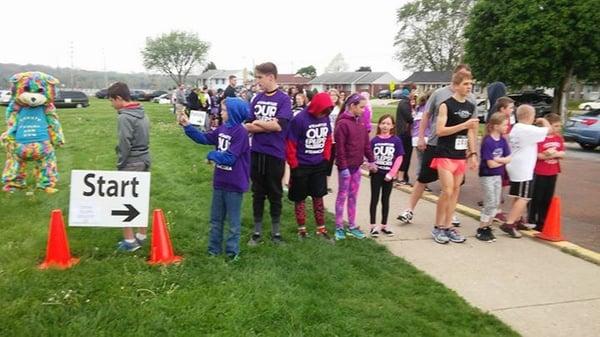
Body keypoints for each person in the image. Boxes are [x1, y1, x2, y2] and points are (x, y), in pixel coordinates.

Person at [397, 64, 477, 227]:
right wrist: (420, 136)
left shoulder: (472, 99)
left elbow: (472, 127)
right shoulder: (439, 94)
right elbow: (426, 115)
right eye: (463, 78)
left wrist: (472, 151)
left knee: (454, 186)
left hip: (457, 148)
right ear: (455, 77)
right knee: (424, 178)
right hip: (436, 143)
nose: (467, 84)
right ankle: (409, 210)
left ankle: (449, 214)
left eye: (469, 79)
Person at [178, 98, 250, 261]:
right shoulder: (223, 128)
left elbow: (230, 158)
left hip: (235, 184)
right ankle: (213, 250)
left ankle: (232, 253)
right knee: (216, 220)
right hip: (220, 182)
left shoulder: (241, 133)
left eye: (224, 111)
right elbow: (205, 138)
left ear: (233, 113)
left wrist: (212, 155)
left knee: (233, 223)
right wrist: (187, 126)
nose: (220, 113)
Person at [245, 62, 292, 245]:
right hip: (256, 152)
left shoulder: (283, 99)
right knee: (257, 192)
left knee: (275, 193)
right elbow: (248, 125)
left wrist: (259, 124)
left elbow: (279, 125)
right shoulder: (256, 99)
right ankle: (256, 232)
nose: (257, 81)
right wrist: (265, 125)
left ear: (271, 77)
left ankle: (276, 233)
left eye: (259, 77)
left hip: (275, 154)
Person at [429, 71, 479, 244]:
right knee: (447, 190)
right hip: (444, 153)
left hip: (460, 155)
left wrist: (473, 154)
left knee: (455, 191)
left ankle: (448, 226)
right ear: (456, 86)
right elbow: (440, 130)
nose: (469, 87)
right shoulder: (445, 105)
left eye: (470, 84)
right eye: (465, 84)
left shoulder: (471, 107)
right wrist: (463, 124)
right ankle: (438, 227)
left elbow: (471, 132)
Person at [108, 82, 151, 252]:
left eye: (111, 101)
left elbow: (124, 142)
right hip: (145, 159)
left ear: (119, 98)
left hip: (132, 161)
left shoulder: (124, 117)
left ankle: (129, 241)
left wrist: (121, 163)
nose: (111, 104)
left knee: (124, 200)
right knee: (140, 197)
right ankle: (142, 235)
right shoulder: (142, 113)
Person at [286, 92, 334, 241]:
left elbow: (328, 138)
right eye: (322, 111)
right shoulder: (299, 119)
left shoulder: (325, 118)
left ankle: (321, 228)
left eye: (326, 112)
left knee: (318, 197)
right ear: (316, 107)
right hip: (301, 165)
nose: (322, 115)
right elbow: (290, 143)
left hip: (318, 164)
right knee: (299, 198)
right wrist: (294, 164)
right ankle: (301, 229)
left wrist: (326, 157)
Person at [501, 105, 552, 238]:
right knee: (525, 197)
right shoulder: (527, 129)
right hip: (523, 167)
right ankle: (510, 223)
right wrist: (543, 121)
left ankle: (517, 219)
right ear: (530, 116)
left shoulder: (517, 128)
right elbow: (549, 130)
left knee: (518, 195)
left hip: (515, 164)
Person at [334, 93, 376, 241]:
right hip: (345, 168)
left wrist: (371, 160)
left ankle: (352, 226)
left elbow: (366, 145)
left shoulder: (361, 124)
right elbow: (340, 149)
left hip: (356, 168)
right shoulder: (342, 124)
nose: (364, 110)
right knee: (342, 197)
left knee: (353, 197)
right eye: (362, 107)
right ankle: (339, 227)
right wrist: (343, 168)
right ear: (352, 106)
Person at [477, 112, 511, 242]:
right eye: (504, 125)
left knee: (496, 202)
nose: (506, 127)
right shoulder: (488, 141)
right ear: (496, 126)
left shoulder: (502, 140)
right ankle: (482, 227)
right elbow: (490, 164)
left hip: (498, 174)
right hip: (487, 175)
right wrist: (501, 160)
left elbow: (509, 158)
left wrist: (499, 160)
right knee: (490, 201)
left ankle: (488, 226)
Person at [529, 113, 565, 231]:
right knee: (537, 197)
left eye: (559, 126)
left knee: (547, 198)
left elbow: (562, 153)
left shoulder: (558, 138)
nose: (557, 129)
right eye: (555, 126)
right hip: (540, 172)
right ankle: (532, 219)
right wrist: (548, 154)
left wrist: (553, 154)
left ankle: (542, 221)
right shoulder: (540, 138)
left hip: (552, 172)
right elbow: (538, 155)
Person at [369, 114, 404, 237]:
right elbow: (369, 156)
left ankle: (384, 225)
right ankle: (373, 226)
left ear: (392, 126)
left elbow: (399, 158)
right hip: (376, 175)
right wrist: (370, 165)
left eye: (388, 124)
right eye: (383, 123)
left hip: (388, 175)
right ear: (379, 125)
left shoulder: (396, 140)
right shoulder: (374, 140)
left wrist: (392, 173)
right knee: (374, 199)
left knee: (385, 199)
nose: (385, 126)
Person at [395, 86, 415, 185]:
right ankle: (400, 177)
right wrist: (414, 114)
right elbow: (409, 118)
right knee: (405, 155)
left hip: (403, 132)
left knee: (403, 155)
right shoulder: (405, 103)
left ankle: (402, 176)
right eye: (414, 91)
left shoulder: (404, 102)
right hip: (405, 133)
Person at [412, 95, 431, 190]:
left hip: (415, 138)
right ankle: (423, 183)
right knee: (426, 162)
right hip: (425, 138)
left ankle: (419, 181)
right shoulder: (429, 109)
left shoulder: (419, 108)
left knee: (421, 161)